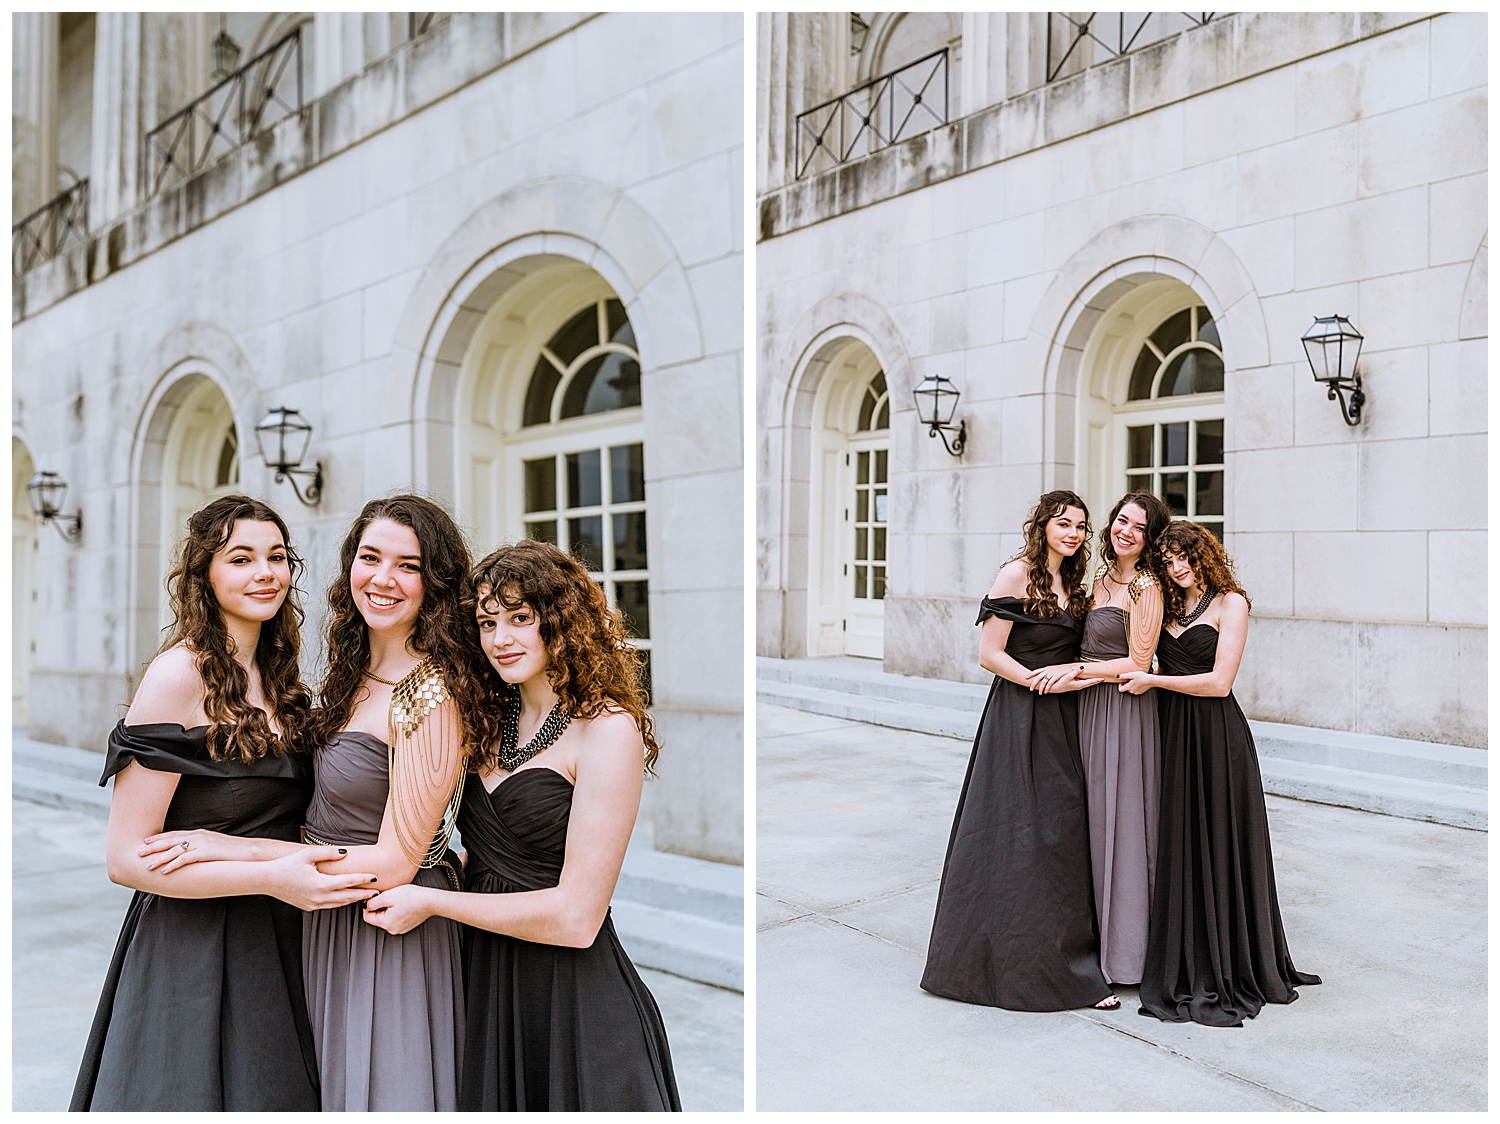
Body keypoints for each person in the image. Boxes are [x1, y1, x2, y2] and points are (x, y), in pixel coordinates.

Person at [143, 495, 494, 1110]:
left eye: (408, 566)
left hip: (383, 929)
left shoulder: (432, 691)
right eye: (370, 557)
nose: (383, 579)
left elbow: (392, 865)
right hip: (321, 919)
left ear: (435, 583)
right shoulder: (348, 673)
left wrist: (229, 846)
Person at [72, 495, 379, 1112]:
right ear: (205, 575)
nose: (264, 572)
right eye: (241, 559)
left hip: (289, 934)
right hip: (199, 945)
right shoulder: (177, 675)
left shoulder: (283, 676)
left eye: (276, 557)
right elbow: (126, 860)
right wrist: (271, 873)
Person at [362, 539, 681, 1111]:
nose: (499, 639)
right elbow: (482, 855)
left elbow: (576, 918)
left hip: (570, 999)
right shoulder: (488, 718)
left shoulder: (608, 729)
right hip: (483, 981)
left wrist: (433, 903)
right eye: (487, 622)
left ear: (561, 621)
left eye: (520, 618)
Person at [1119, 521, 1321, 1027]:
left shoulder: (1232, 603)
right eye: (1166, 561)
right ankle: (1179, 957)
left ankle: (1228, 961)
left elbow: (1219, 682)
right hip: (1168, 732)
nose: (1177, 567)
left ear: (1203, 554)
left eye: (1184, 556)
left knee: (1221, 841)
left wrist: (1152, 680)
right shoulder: (1163, 604)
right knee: (1177, 843)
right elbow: (1138, 654)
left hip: (1215, 736)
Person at [920, 491, 1115, 1012]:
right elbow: (989, 654)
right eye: (1063, 523)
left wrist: (1074, 676)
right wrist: (1039, 682)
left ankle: (1071, 956)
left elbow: (1084, 654)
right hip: (1021, 713)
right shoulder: (1015, 574)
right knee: (1019, 831)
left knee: (1063, 835)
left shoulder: (1076, 584)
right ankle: (1012, 963)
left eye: (1081, 526)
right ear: (1043, 526)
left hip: (1068, 716)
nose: (1073, 533)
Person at [1070, 493, 1170, 995]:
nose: (1126, 531)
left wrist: (1076, 671)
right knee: (1089, 821)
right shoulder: (1098, 578)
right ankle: (1087, 943)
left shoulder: (1147, 586)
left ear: (1151, 539)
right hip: (1085, 709)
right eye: (1121, 520)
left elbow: (1139, 662)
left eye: (1140, 527)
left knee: (1123, 823)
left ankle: (1126, 955)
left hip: (1123, 710)